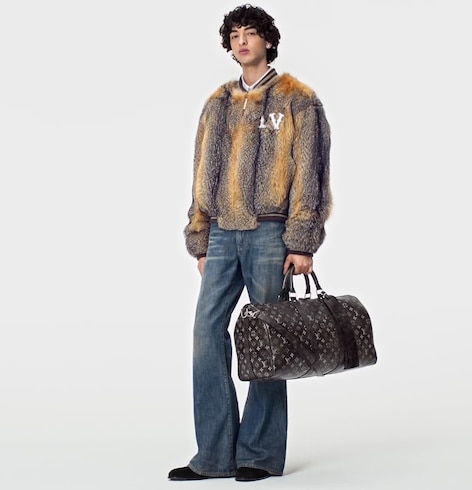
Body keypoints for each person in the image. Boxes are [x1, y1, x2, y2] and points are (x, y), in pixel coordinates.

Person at [169, 4, 332, 482]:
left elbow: (311, 174)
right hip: (222, 233)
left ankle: (258, 454)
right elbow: (202, 171)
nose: (242, 41)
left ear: (267, 40)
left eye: (251, 33)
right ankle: (214, 455)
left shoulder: (298, 100)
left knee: (269, 339)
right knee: (206, 333)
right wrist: (201, 237)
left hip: (271, 233)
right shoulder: (217, 103)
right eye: (235, 35)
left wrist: (302, 240)